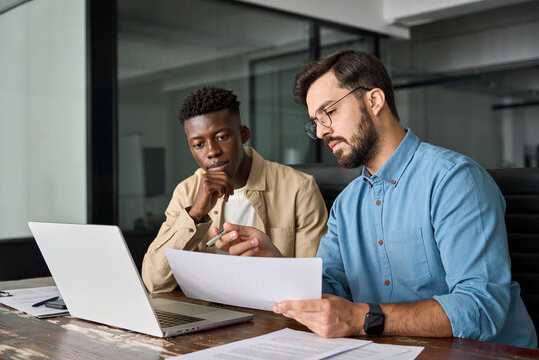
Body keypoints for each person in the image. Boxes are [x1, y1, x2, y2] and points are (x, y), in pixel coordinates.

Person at [216, 51, 537, 349]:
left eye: (328, 112)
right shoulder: (347, 203)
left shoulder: (454, 180)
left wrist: (362, 318)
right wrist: (275, 263)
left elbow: (481, 309)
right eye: (315, 121)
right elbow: (331, 293)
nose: (322, 131)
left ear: (374, 100)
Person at [141, 86, 328, 293]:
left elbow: (314, 286)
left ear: (243, 134)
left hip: (275, 315)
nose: (212, 151)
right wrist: (195, 214)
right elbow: (154, 282)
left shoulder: (298, 188)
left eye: (221, 137)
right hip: (211, 314)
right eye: (199, 144)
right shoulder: (186, 191)